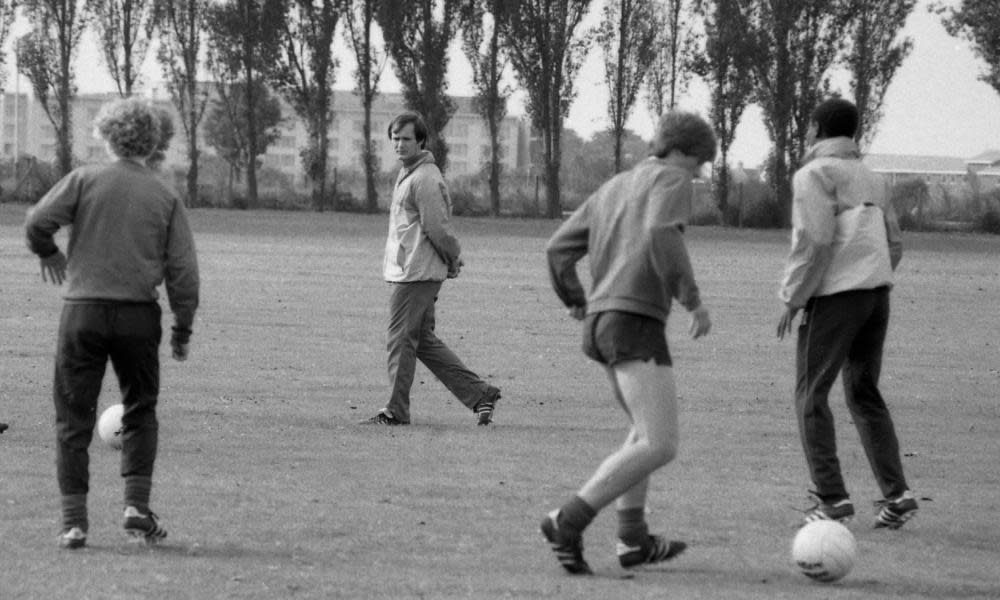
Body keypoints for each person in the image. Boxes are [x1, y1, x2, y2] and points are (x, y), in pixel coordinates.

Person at [541, 110, 715, 575]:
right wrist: (692, 300)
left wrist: (576, 298)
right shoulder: (671, 180)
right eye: (699, 163)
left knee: (642, 431)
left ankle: (633, 540)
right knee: (661, 443)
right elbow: (661, 232)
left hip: (601, 322)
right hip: (634, 321)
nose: (698, 174)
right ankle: (568, 520)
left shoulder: (614, 186)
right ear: (680, 152)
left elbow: (558, 247)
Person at [25, 97, 200, 549]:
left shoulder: (84, 179)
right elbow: (182, 270)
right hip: (138, 317)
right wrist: (182, 327)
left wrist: (49, 252)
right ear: (156, 141)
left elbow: (37, 222)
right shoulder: (164, 195)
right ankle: (136, 508)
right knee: (141, 411)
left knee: (71, 416)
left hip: (82, 313)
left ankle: (73, 523)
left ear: (105, 134)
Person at [776, 97, 917, 529]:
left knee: (811, 395)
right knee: (863, 392)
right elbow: (894, 243)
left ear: (817, 129)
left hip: (837, 296)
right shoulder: (873, 179)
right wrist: (873, 276)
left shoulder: (814, 174)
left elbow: (815, 240)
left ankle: (833, 498)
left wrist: (794, 296)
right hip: (877, 295)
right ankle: (897, 495)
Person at [362, 111, 500, 426]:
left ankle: (396, 411)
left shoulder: (424, 178)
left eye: (406, 139)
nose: (399, 144)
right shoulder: (409, 174)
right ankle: (481, 395)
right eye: (395, 138)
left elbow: (437, 228)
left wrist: (452, 257)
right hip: (410, 270)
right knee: (421, 340)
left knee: (399, 339)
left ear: (421, 140)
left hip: (416, 274)